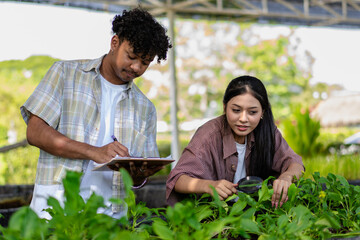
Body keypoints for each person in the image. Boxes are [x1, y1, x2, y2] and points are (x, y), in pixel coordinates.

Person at [20, 7, 172, 219]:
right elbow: (34, 133)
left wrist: (137, 175)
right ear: (114, 43)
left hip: (110, 221)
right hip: (55, 214)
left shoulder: (145, 108)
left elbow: (139, 177)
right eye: (132, 56)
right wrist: (94, 151)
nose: (137, 67)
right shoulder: (65, 74)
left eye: (145, 62)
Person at [166, 75, 304, 208]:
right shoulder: (209, 135)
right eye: (236, 110)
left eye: (252, 112)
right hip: (214, 219)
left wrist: (287, 177)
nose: (243, 118)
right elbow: (177, 179)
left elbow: (296, 164)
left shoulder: (268, 132)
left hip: (256, 215)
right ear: (225, 107)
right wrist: (210, 186)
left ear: (263, 112)